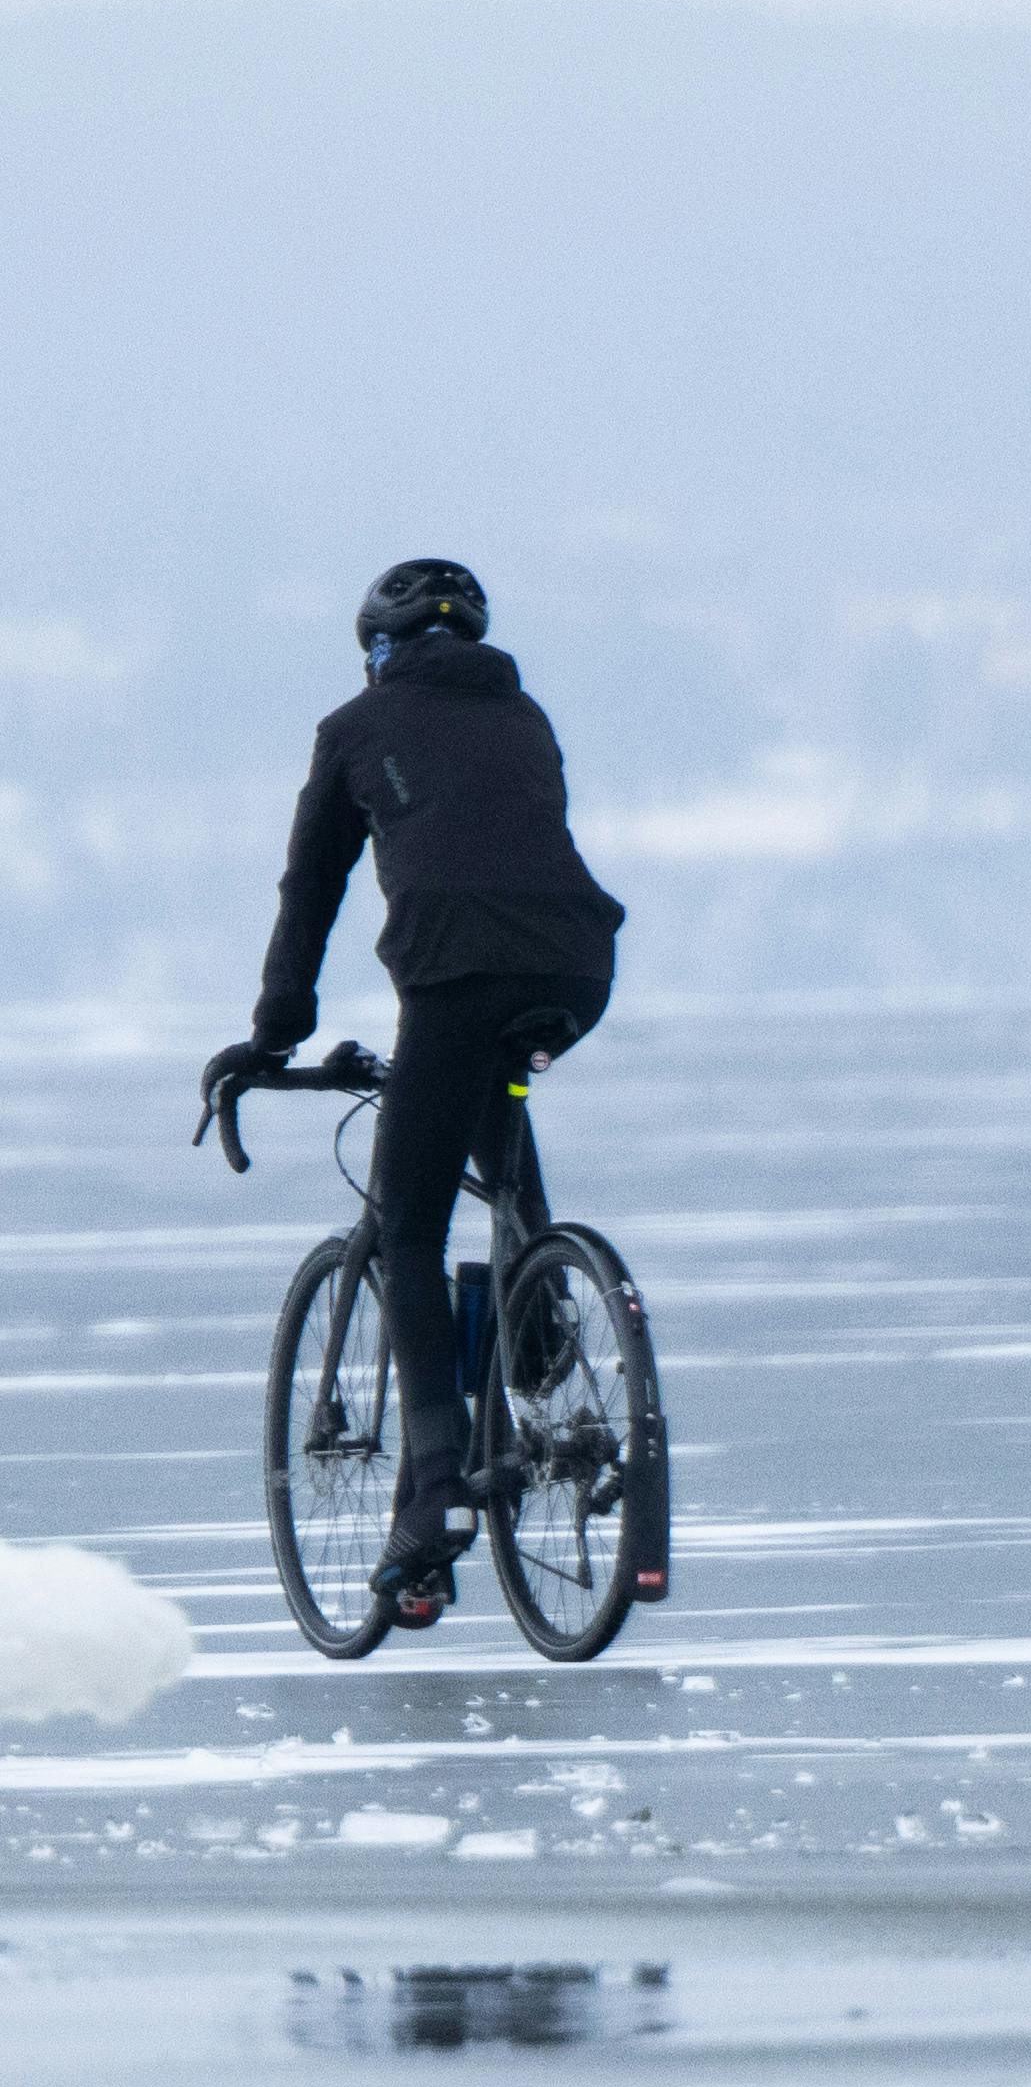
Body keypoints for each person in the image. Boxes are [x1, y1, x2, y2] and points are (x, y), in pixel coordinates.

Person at [201, 560, 625, 1624]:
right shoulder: (523, 713)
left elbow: (315, 884)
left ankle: (435, 1491)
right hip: (573, 972)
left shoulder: (354, 727)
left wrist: (273, 1034)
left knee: (408, 1227)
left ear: (379, 649)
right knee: (502, 1102)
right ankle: (538, 1323)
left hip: (453, 976)